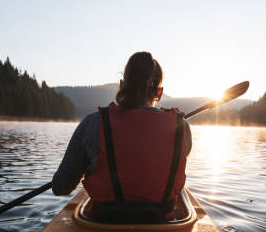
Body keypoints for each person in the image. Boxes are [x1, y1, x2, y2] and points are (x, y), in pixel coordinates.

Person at [52, 51, 192, 222]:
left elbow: (61, 188)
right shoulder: (182, 126)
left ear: (121, 85)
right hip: (162, 227)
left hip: (102, 227)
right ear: (159, 93)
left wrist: (90, 165)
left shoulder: (93, 123)